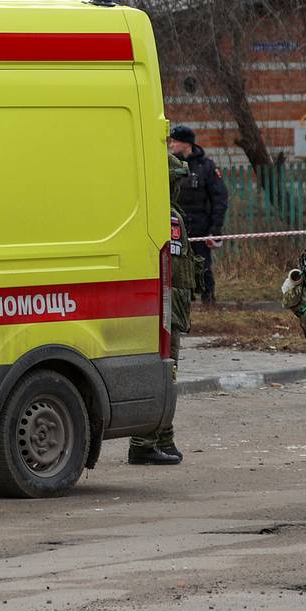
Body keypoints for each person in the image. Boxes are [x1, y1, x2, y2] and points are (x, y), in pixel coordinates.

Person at [129, 153, 197, 465]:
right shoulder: (163, 216)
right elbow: (171, 271)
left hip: (168, 310)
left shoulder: (164, 212)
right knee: (164, 375)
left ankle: (162, 439)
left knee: (166, 374)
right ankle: (145, 443)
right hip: (165, 311)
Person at [168, 124, 228, 302]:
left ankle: (208, 298)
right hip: (177, 226)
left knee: (203, 264)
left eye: (175, 141)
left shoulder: (206, 167)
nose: (171, 145)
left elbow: (219, 198)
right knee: (177, 266)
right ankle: (184, 300)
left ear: (186, 144)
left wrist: (215, 228)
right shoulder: (171, 165)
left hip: (200, 226)